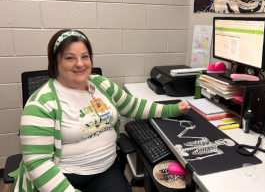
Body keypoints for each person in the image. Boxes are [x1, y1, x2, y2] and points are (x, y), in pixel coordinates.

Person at [10, 29, 190, 192]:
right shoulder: (41, 103)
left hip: (106, 170)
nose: (80, 64)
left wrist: (172, 109)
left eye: (85, 56)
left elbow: (133, 106)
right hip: (65, 177)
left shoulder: (101, 84)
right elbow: (38, 163)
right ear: (55, 62)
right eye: (70, 57)